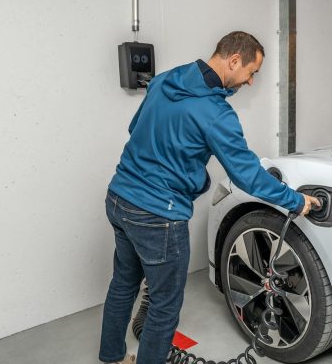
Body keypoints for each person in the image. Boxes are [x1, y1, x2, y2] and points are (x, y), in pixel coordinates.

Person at [99, 31, 320, 364]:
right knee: (164, 305)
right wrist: (295, 201)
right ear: (234, 60)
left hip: (119, 198)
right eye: (251, 72)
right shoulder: (216, 113)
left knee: (123, 283)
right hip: (159, 215)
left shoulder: (166, 79)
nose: (250, 82)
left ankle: (112, 357)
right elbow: (247, 174)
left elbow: (136, 129)